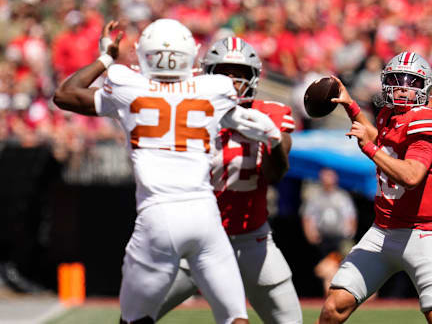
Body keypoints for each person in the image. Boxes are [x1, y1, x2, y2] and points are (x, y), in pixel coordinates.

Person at [53, 20, 283, 324]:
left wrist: (107, 57)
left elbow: (66, 94)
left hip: (157, 217)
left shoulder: (126, 84)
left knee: (134, 318)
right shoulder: (214, 88)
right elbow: (249, 122)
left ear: (144, 54)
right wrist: (273, 136)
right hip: (205, 215)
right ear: (191, 54)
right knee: (235, 318)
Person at [155, 36, 302, 324]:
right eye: (225, 72)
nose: (233, 81)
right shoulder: (186, 114)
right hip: (196, 239)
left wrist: (273, 139)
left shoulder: (269, 113)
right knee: (137, 314)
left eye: (240, 74)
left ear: (254, 78)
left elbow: (276, 173)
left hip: (251, 239)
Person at [318, 52, 432, 324]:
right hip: (382, 231)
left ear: (425, 86)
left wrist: (368, 149)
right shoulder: (387, 115)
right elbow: (381, 140)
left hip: (421, 234)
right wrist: (351, 107)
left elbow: (412, 175)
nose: (402, 87)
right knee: (334, 308)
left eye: (411, 82)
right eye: (396, 80)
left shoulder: (425, 120)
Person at [301, 168, 357, 294]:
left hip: (340, 238)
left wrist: (349, 233)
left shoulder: (342, 196)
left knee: (342, 267)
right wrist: (310, 234)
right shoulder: (315, 197)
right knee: (327, 270)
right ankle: (331, 296)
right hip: (323, 239)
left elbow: (350, 215)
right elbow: (308, 217)